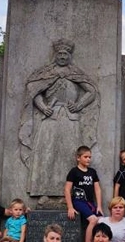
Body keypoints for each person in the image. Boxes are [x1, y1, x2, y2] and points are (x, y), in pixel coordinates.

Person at [19, 39, 99, 197]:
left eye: (65, 54)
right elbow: (33, 91)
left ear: (69, 56)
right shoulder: (46, 73)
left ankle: (66, 195)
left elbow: (91, 91)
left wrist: (79, 105)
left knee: (69, 154)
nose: (62, 56)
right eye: (60, 53)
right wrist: (43, 107)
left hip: (70, 118)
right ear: (55, 55)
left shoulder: (75, 73)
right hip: (51, 117)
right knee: (46, 153)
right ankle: (42, 192)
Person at [65, 145, 103, 242]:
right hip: (78, 201)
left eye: (90, 157)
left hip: (90, 203)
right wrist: (70, 207)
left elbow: (97, 189)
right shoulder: (74, 171)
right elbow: (67, 190)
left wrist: (99, 206)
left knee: (100, 221)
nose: (88, 159)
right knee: (93, 220)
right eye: (85, 157)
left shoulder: (92, 172)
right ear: (78, 158)